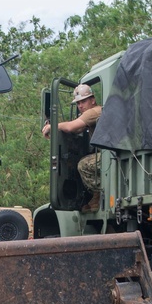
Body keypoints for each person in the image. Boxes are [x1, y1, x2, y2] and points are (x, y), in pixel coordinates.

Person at [42, 83, 102, 211]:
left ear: (92, 100)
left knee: (84, 164)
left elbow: (71, 127)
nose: (80, 106)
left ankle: (100, 195)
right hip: (108, 157)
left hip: (109, 157)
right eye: (78, 103)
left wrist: (51, 127)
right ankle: (96, 197)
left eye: (83, 101)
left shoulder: (93, 112)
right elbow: (76, 130)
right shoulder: (93, 113)